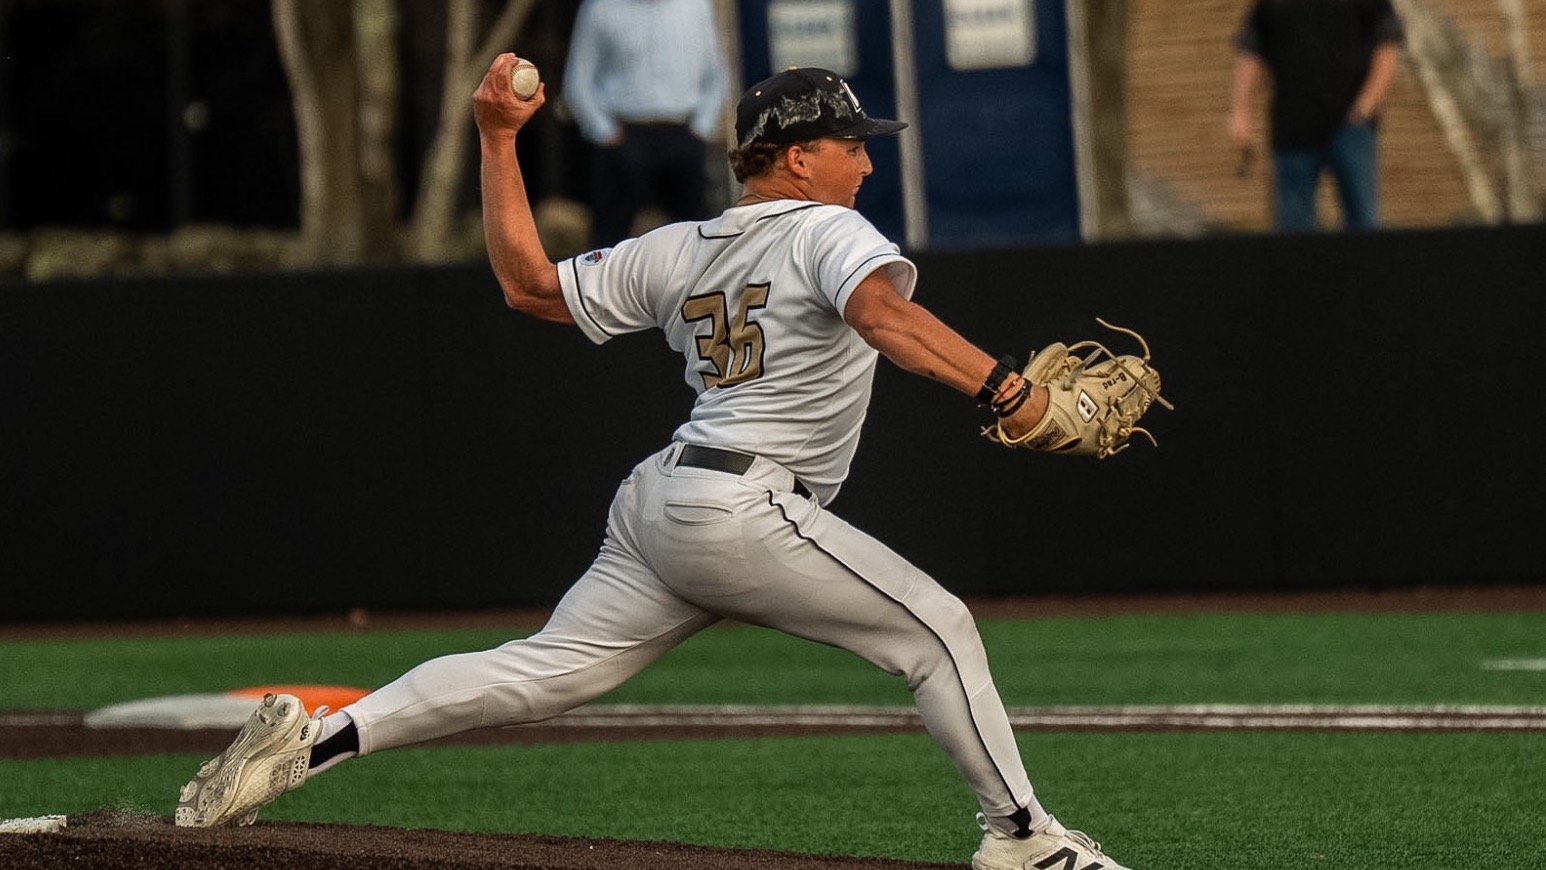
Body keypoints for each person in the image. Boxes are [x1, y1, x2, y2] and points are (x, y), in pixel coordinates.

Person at [173, 58, 1134, 870]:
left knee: (544, 671)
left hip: (666, 499)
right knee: (939, 632)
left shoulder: (679, 248)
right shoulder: (830, 228)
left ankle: (316, 740)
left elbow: (529, 288)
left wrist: (496, 138)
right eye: (852, 142)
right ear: (799, 158)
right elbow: (883, 317)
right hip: (745, 506)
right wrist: (1011, 391)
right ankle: (1025, 841)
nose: (867, 159)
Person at [562, 0, 729, 248]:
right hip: (623, 136)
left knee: (700, 240)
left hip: (683, 134)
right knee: (609, 243)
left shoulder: (696, 5)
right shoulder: (600, 8)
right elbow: (578, 81)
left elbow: (716, 74)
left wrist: (701, 128)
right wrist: (605, 133)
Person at [1228, 0, 1404, 231]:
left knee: (1362, 226)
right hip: (1292, 130)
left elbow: (1387, 46)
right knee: (1292, 230)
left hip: (1350, 129)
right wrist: (1239, 111)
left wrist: (1364, 108)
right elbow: (1252, 51)